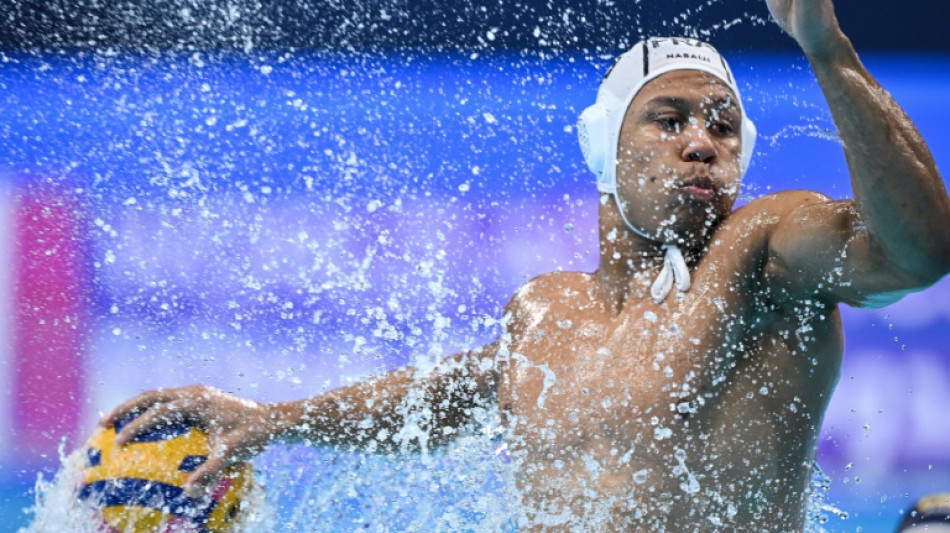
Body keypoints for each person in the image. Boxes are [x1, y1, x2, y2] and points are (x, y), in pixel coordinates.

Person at [102, 0, 950, 530]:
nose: (702, 141)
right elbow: (454, 394)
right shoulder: (546, 311)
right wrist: (276, 418)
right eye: (669, 119)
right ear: (603, 151)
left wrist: (826, 51)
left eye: (724, 125)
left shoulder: (764, 252)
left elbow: (920, 252)